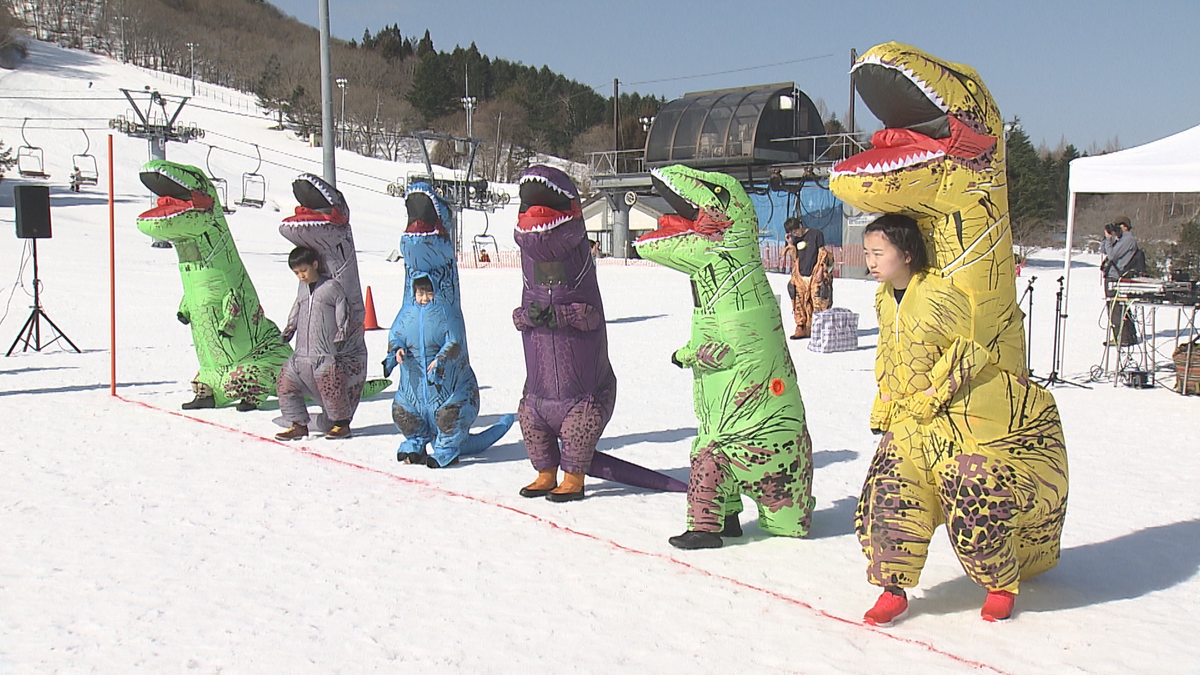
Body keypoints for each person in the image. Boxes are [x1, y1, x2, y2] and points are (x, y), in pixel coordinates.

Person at [856, 214, 1069, 626]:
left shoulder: (939, 295)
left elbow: (968, 351)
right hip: (907, 422)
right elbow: (887, 349)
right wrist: (884, 395)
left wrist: (934, 393)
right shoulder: (883, 297)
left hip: (956, 421)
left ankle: (1000, 585)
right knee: (886, 498)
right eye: (867, 252)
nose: (870, 260)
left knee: (972, 494)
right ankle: (892, 589)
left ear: (907, 253)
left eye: (878, 252)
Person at [275, 246, 355, 441]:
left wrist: (342, 332)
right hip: (301, 353)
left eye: (304, 270)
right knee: (285, 383)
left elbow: (342, 308)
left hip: (324, 353)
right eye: (296, 273)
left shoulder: (331, 287)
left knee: (331, 386)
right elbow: (297, 306)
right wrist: (290, 327)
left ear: (315, 265)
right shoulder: (302, 288)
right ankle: (298, 424)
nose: (301, 276)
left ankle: (341, 424)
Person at [783, 217, 834, 339]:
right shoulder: (794, 239)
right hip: (801, 275)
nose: (795, 234)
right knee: (797, 297)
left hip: (815, 272)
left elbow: (823, 253)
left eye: (795, 231)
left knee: (819, 299)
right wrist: (790, 244)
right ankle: (801, 327)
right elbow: (795, 258)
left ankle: (819, 327)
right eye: (792, 232)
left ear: (800, 225)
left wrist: (821, 270)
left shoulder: (816, 234)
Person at [1100, 216, 1141, 346]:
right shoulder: (1121, 239)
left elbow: (1112, 255)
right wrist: (1107, 238)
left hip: (1116, 277)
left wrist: (1108, 240)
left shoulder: (1128, 240)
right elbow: (1103, 250)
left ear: (1124, 226)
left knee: (1115, 308)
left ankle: (1122, 337)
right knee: (1119, 308)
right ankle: (1128, 336)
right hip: (1114, 276)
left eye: (1118, 226)